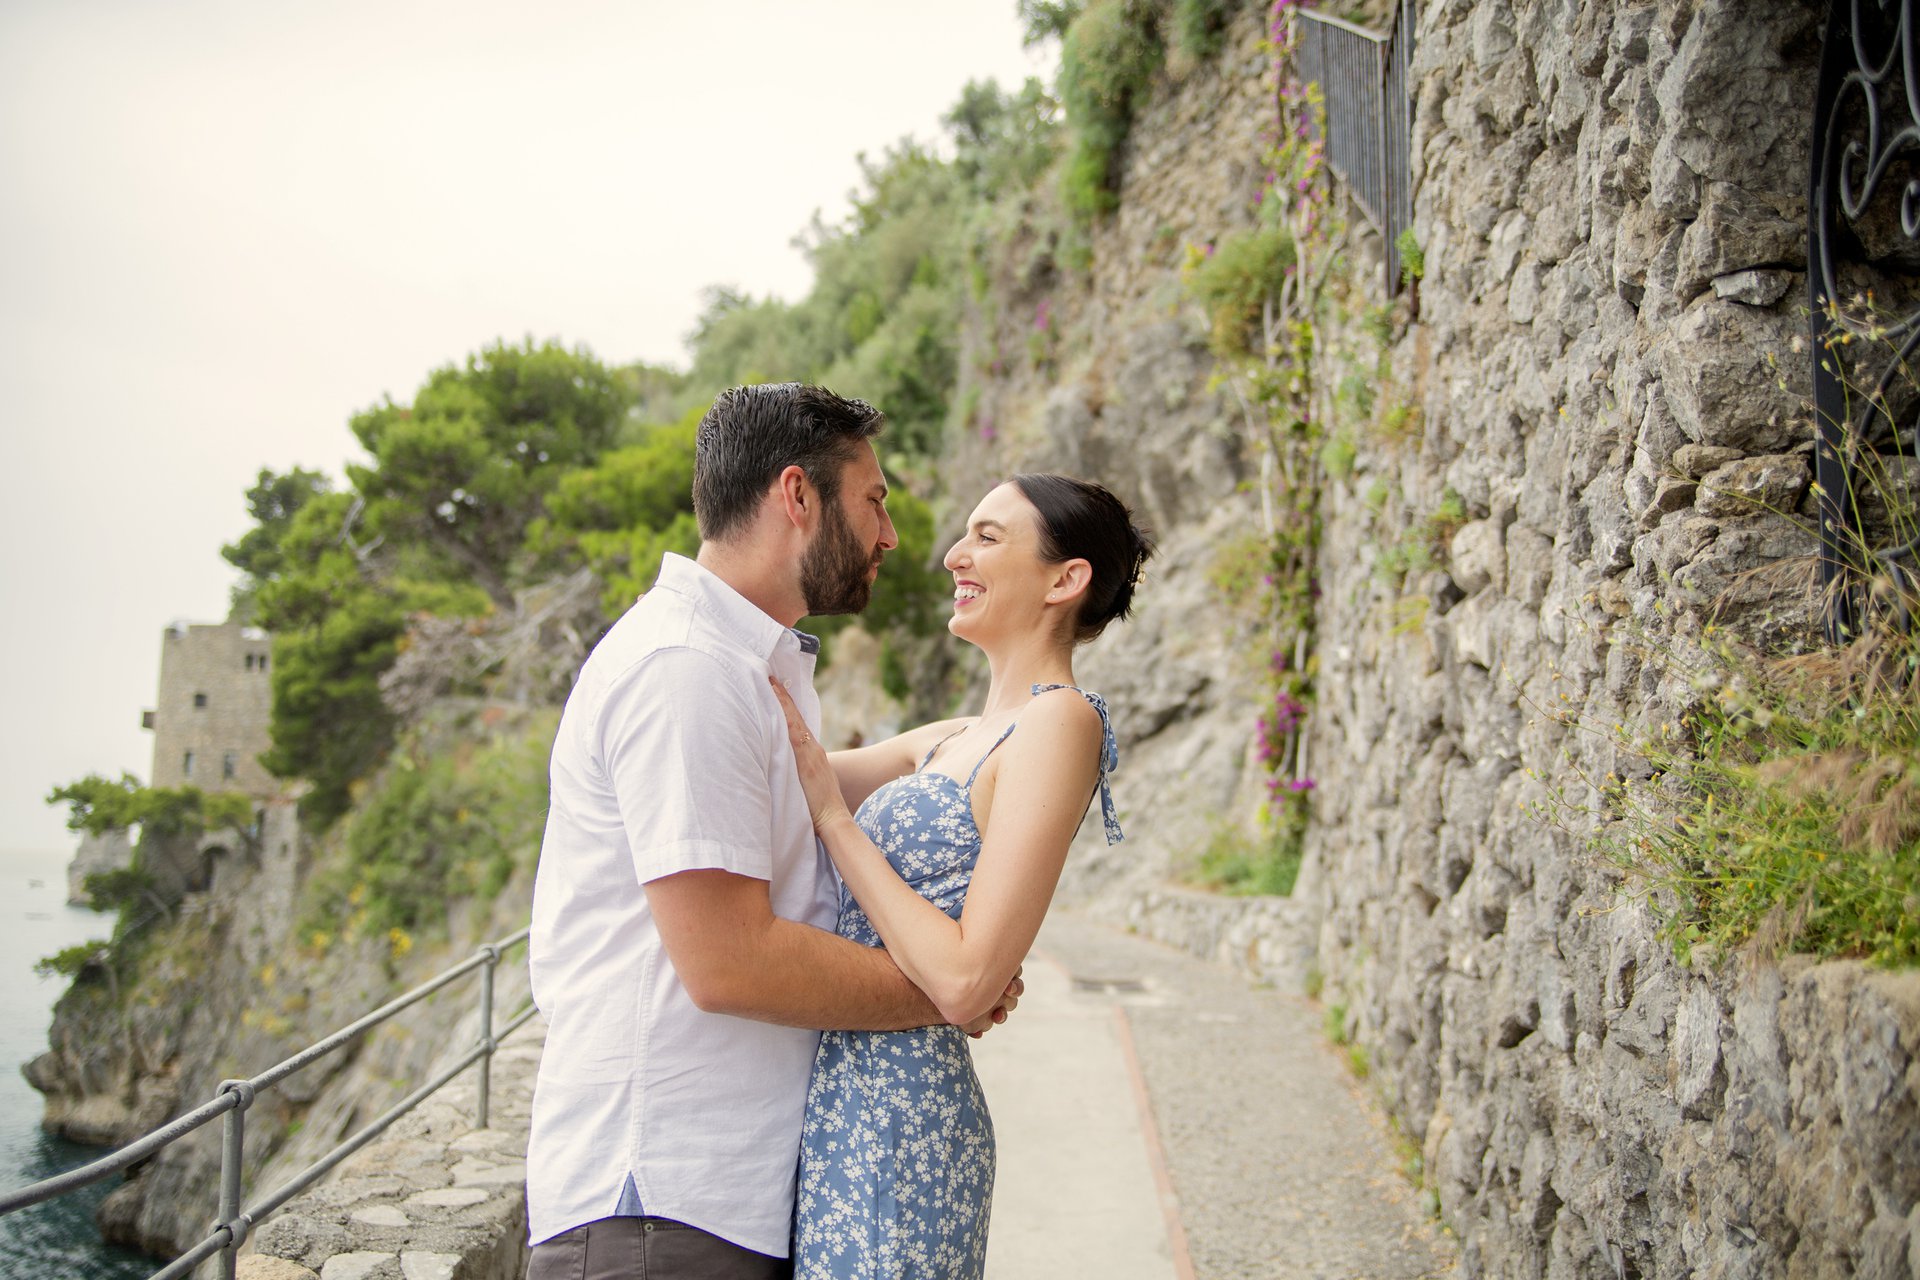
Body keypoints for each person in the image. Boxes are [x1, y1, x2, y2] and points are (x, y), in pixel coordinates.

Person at [524, 383, 1020, 1280]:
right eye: (874, 501)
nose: (890, 536)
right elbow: (729, 961)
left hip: (707, 1205)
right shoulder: (688, 671)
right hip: (660, 1209)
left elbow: (807, 792)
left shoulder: (740, 666)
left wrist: (957, 746)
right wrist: (947, 991)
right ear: (798, 496)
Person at [769, 472, 1155, 1280]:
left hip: (904, 1121)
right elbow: (775, 775)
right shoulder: (952, 737)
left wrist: (838, 823)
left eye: (987, 536)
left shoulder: (1060, 721)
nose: (953, 554)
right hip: (837, 1101)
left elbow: (966, 978)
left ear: (1065, 578)